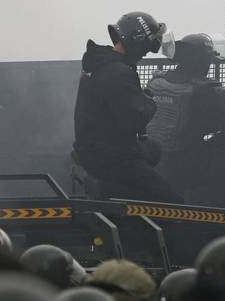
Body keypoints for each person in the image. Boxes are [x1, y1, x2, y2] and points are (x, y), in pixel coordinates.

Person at [73, 11, 182, 203]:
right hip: (111, 157)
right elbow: (135, 118)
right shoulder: (117, 72)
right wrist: (148, 98)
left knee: (153, 149)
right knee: (173, 204)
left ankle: (117, 191)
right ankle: (107, 190)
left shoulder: (102, 65)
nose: (145, 54)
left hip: (95, 149)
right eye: (146, 49)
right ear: (138, 41)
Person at [146, 33, 225, 205]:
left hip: (150, 158)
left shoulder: (156, 82)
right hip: (185, 162)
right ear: (204, 61)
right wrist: (213, 140)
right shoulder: (211, 91)